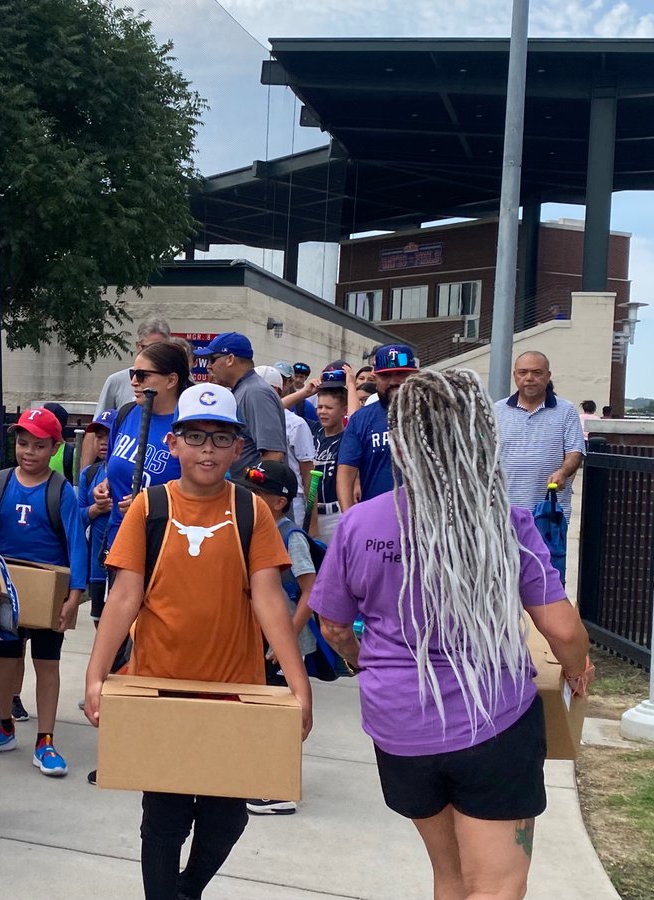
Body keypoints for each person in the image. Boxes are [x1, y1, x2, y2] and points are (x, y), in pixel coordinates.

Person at [310, 368, 594, 900]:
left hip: (397, 725)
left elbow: (332, 625)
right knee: (497, 882)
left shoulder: (360, 523)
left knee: (451, 877)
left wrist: (362, 663)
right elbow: (561, 628)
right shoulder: (504, 522)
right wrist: (577, 670)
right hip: (492, 721)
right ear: (479, 434)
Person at [83, 382, 313, 900]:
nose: (207, 448)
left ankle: (187, 890)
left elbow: (270, 599)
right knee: (163, 818)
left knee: (227, 817)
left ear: (237, 447)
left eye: (219, 438)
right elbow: (123, 597)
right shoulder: (150, 507)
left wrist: (298, 686)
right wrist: (96, 676)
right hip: (161, 687)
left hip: (235, 691)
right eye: (195, 436)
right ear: (174, 444)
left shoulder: (252, 513)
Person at [0, 408, 86, 775]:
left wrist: (75, 595)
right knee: (4, 659)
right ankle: (2, 726)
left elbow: (77, 545)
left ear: (54, 448)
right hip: (7, 587)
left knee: (47, 664)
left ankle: (45, 740)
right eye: (22, 443)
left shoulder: (61, 491)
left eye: (39, 445)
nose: (29, 452)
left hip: (47, 588)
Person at [236, 459, 318, 817]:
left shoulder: (290, 536)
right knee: (260, 710)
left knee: (281, 713)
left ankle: (279, 789)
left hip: (283, 646)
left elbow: (311, 592)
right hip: (261, 641)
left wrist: (283, 643)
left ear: (279, 501)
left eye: (257, 493)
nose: (248, 497)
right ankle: (260, 773)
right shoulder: (254, 529)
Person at [99, 341, 194, 552]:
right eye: (133, 373)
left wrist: (151, 505)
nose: (133, 381)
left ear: (171, 380)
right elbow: (116, 464)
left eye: (142, 375)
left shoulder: (189, 425)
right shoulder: (126, 414)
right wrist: (107, 483)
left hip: (165, 546)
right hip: (119, 541)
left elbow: (204, 493)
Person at [496, 351, 585, 520]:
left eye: (537, 373)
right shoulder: (496, 410)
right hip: (504, 513)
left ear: (548, 376)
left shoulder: (566, 410)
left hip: (548, 514)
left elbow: (575, 452)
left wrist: (563, 472)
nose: (529, 378)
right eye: (523, 372)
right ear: (515, 375)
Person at [336, 344, 419, 511]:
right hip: (378, 518)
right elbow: (345, 473)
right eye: (386, 375)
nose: (394, 381)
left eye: (401, 374)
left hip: (428, 521)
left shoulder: (434, 414)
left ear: (415, 375)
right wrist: (349, 518)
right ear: (375, 378)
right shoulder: (361, 419)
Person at [193, 333, 287, 477]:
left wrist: (252, 492)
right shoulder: (245, 389)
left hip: (255, 494)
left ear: (230, 359)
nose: (209, 367)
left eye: (212, 359)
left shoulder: (255, 392)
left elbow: (273, 455)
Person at [83, 316, 172, 465]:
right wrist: (83, 480)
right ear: (138, 346)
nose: (135, 383)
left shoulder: (182, 386)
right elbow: (95, 431)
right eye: (149, 348)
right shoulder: (116, 381)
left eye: (161, 349)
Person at [252, 365, 313, 524]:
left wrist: (312, 520)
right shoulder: (245, 418)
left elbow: (308, 472)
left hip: (293, 501)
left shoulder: (296, 424)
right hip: (253, 494)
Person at [79, 409, 115, 626]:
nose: (102, 442)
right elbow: (78, 517)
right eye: (98, 436)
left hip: (124, 563)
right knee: (100, 624)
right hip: (97, 566)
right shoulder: (89, 474)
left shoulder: (133, 471)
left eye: (108, 436)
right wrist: (97, 509)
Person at [310, 383, 348, 544]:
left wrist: (351, 385)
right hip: (310, 512)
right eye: (319, 407)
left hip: (335, 513)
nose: (322, 412)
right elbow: (278, 410)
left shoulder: (349, 438)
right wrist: (305, 392)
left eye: (329, 408)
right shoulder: (313, 430)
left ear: (343, 411)